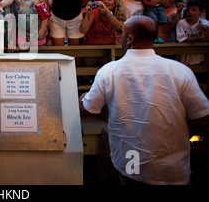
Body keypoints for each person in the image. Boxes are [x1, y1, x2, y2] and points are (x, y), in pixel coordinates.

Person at [80, 15, 209, 185]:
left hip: (131, 165)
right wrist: (181, 132)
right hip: (172, 168)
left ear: (130, 39)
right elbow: (202, 117)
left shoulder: (109, 71)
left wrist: (82, 100)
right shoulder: (179, 71)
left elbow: (90, 108)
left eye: (123, 32)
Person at [176, 0, 209, 65]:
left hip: (200, 56)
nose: (190, 12)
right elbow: (182, 39)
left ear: (201, 12)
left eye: (193, 10)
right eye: (188, 10)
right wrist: (197, 39)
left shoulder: (204, 22)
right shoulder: (181, 23)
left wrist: (203, 27)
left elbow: (207, 27)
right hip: (185, 55)